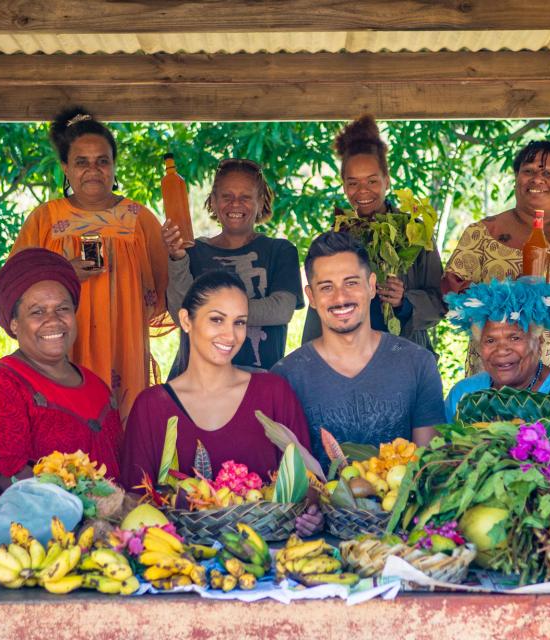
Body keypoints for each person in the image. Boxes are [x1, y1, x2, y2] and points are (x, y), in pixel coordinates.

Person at [11, 107, 169, 422]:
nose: (93, 170)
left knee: (121, 430)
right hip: (62, 343)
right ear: (66, 168)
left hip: (123, 345)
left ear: (113, 166)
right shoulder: (45, 219)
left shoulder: (139, 219)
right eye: (82, 162)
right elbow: (14, 286)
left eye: (102, 161)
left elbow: (166, 286)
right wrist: (60, 272)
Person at [442, 140, 550, 392]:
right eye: (529, 171)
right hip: (499, 371)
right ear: (516, 177)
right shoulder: (480, 233)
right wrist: (509, 303)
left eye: (548, 173)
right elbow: (450, 294)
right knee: (494, 431)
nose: (537, 179)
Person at [120, 270, 311, 493]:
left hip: (266, 529)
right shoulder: (151, 407)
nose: (230, 335)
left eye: (239, 322)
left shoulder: (273, 393)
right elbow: (136, 501)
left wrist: (310, 514)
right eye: (217, 320)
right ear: (185, 320)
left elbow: (307, 485)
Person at [273, 231, 445, 466]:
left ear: (372, 286)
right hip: (318, 503)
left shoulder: (418, 364)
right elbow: (287, 476)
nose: (340, 297)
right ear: (311, 297)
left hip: (402, 500)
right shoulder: (286, 377)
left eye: (351, 283)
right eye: (326, 287)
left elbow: (429, 467)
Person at [0, 249, 122, 508]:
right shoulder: (0, 384)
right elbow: (6, 481)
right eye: (37, 312)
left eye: (62, 309)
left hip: (113, 538)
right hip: (39, 540)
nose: (53, 320)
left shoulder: (98, 387)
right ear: (13, 324)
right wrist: (92, 506)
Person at [301, 115, 444, 351]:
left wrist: (404, 302)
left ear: (387, 181)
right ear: (343, 184)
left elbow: (439, 301)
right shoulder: (336, 238)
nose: (362, 191)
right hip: (346, 358)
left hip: (405, 356)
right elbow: (319, 307)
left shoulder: (415, 232)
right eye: (353, 183)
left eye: (372, 181)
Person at [444, 278, 550, 484]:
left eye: (515, 338)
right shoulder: (463, 394)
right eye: (490, 340)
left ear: (538, 342)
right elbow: (443, 459)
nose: (502, 350)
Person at [164, 158, 303, 375]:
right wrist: (177, 258)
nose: (235, 204)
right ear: (212, 201)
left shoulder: (281, 251)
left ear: (261, 202)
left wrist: (206, 313)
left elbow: (280, 310)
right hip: (195, 383)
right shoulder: (191, 251)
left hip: (259, 381)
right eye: (226, 196)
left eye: (245, 197)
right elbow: (179, 314)